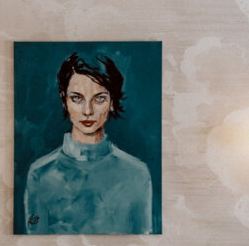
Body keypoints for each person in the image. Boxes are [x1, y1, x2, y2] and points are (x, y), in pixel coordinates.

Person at [24, 52, 154, 235]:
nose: (87, 110)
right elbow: (34, 241)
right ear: (64, 100)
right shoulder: (40, 174)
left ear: (112, 102)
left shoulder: (137, 174)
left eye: (99, 98)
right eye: (77, 98)